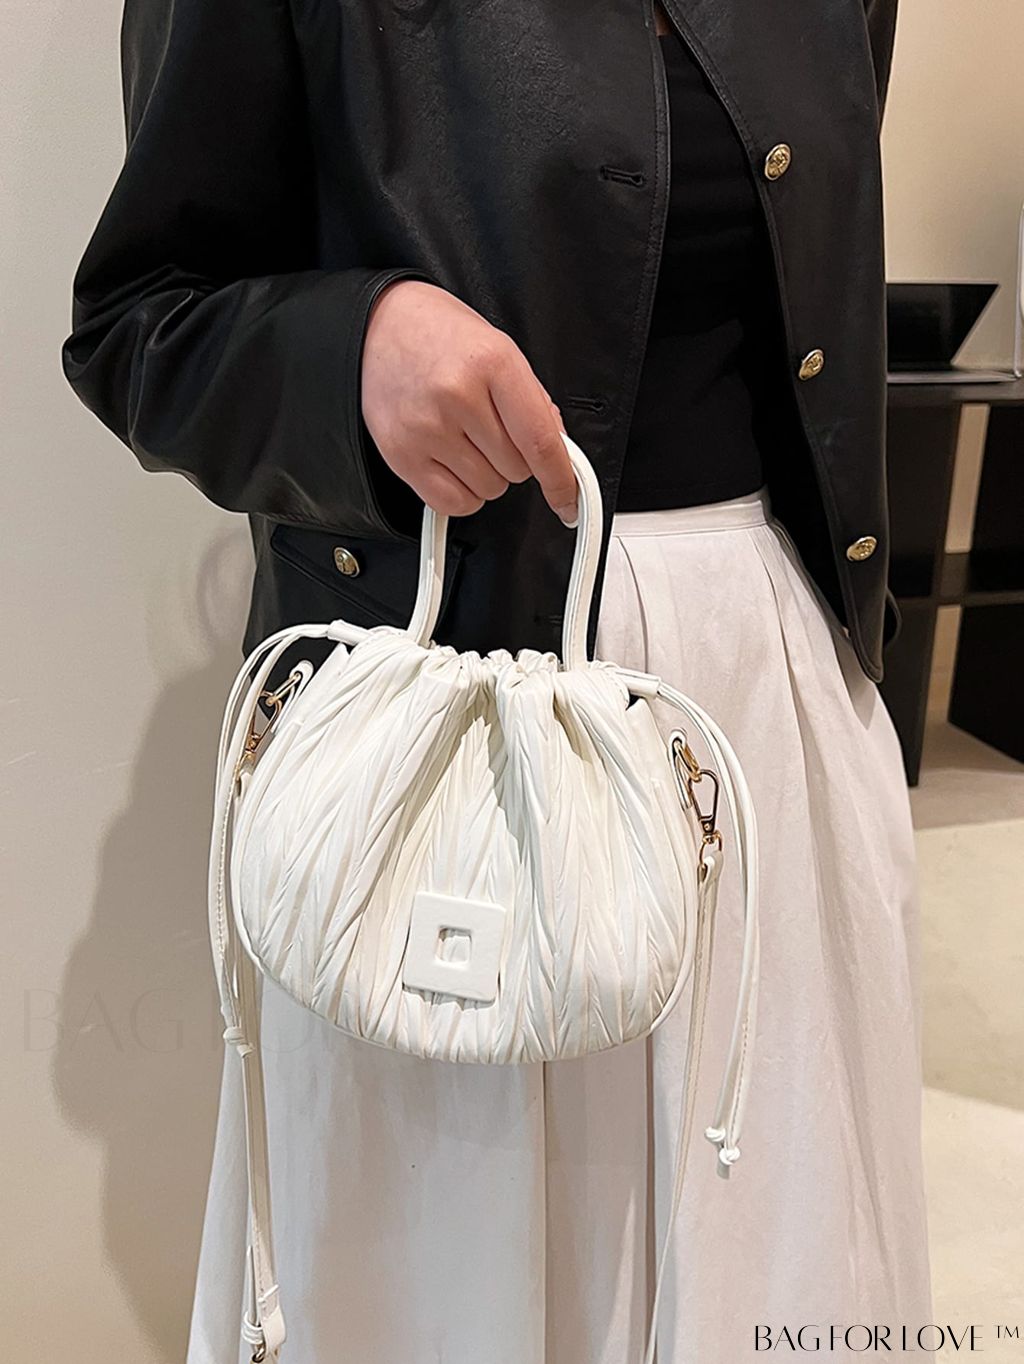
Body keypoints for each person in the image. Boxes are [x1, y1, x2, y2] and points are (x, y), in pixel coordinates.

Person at [61, 0, 933, 1358]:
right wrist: (355, 348)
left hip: (764, 703)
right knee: (445, 1278)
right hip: (450, 743)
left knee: (776, 1233)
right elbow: (139, 322)